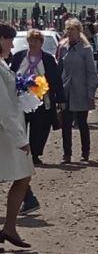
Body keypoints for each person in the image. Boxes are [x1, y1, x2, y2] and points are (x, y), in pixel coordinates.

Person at [0, 23, 34, 248]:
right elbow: (3, 108)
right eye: (9, 39)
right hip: (6, 133)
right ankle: (9, 227)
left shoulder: (2, 63)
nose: (12, 44)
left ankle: (10, 227)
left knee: (23, 176)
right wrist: (21, 139)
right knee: (23, 176)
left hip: (9, 131)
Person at [11, 29, 64, 171]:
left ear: (41, 43)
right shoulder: (18, 56)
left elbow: (56, 80)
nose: (32, 43)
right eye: (30, 40)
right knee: (20, 127)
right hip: (21, 98)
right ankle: (20, 153)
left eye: (36, 40)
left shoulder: (48, 59)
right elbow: (11, 75)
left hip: (41, 99)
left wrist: (60, 98)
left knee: (39, 127)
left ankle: (35, 154)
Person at [57, 19, 97, 164]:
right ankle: (67, 154)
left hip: (81, 91)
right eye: (67, 30)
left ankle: (85, 154)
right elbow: (59, 69)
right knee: (66, 124)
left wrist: (91, 92)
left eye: (72, 30)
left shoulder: (86, 49)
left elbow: (91, 72)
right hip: (66, 91)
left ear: (79, 31)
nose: (69, 32)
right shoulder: (63, 48)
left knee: (82, 123)